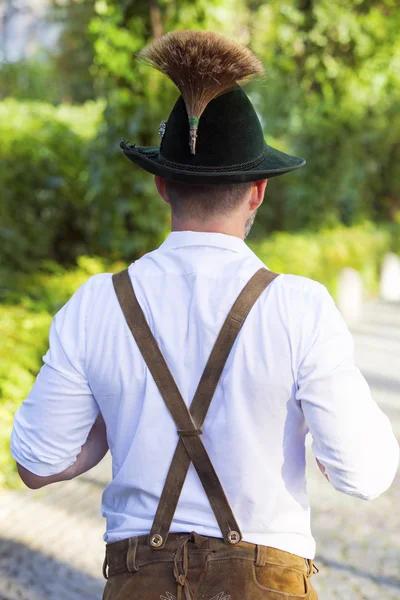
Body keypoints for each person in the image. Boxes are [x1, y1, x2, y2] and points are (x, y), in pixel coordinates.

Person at [11, 31, 399, 600]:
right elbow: (363, 475)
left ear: (162, 185)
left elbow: (36, 466)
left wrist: (101, 437)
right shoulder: (301, 307)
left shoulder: (97, 304)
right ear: (258, 192)